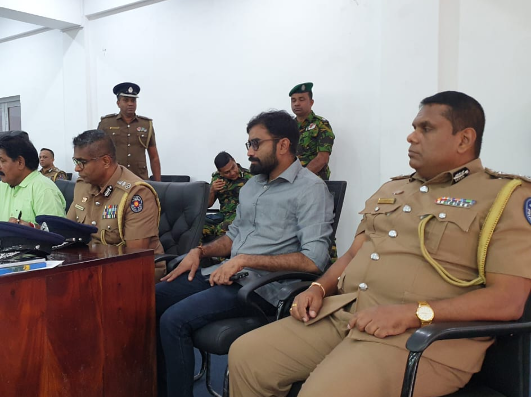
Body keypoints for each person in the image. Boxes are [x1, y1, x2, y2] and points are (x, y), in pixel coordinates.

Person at [228, 91, 531, 397]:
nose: (412, 137)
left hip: (421, 336)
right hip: (349, 314)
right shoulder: (393, 188)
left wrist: (413, 314)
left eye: (426, 128)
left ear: (464, 139)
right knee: (247, 355)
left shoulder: (504, 197)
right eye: (414, 127)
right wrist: (318, 288)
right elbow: (354, 253)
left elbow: (508, 300)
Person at [155, 110, 334, 397]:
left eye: (256, 144)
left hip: (262, 288)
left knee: (173, 320)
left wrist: (245, 260)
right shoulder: (252, 185)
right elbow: (234, 235)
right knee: (150, 299)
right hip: (228, 273)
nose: (249, 152)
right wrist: (199, 251)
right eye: (248, 144)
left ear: (283, 145)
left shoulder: (310, 189)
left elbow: (314, 260)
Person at [66, 130, 165, 280]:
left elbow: (134, 257)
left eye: (82, 162)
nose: (77, 168)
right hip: (91, 266)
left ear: (106, 161)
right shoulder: (83, 185)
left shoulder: (136, 194)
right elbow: (67, 233)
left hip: (133, 273)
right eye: (75, 161)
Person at [0, 134, 66, 224]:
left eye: (2, 161)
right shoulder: (2, 185)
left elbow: (52, 231)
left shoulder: (44, 190)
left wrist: (30, 228)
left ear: (20, 162)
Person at [97, 82, 161, 181]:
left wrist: (158, 184)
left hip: (139, 179)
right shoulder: (106, 124)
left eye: (133, 100)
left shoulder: (146, 125)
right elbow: (97, 154)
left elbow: (154, 157)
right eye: (126, 100)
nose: (130, 104)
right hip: (114, 178)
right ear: (118, 103)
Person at [202, 151, 253, 243]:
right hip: (223, 216)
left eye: (233, 167)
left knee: (223, 228)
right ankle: (199, 252)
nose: (232, 173)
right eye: (227, 172)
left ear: (234, 161)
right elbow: (208, 204)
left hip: (241, 216)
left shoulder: (250, 176)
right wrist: (212, 190)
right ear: (220, 172)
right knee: (198, 226)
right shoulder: (217, 179)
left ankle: (221, 253)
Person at [289, 82, 335, 180]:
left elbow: (322, 158)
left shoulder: (321, 124)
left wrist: (300, 178)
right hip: (289, 180)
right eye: (293, 100)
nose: (296, 103)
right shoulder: (288, 126)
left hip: (314, 181)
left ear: (311, 102)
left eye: (301, 99)